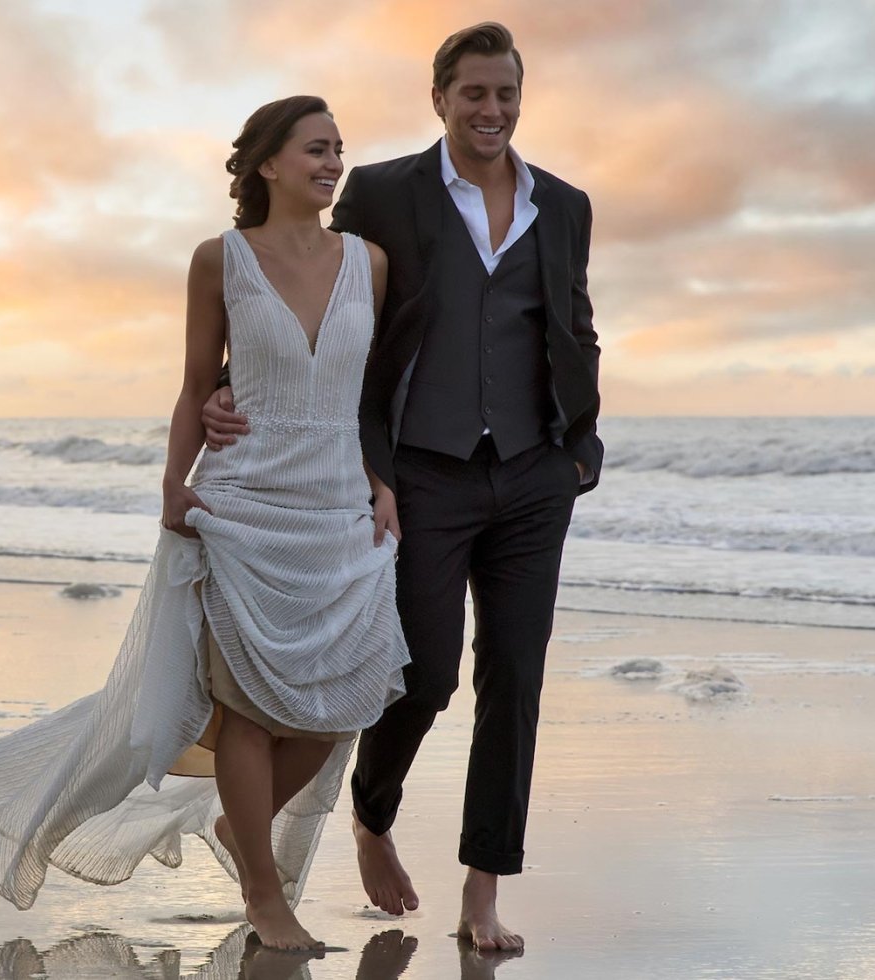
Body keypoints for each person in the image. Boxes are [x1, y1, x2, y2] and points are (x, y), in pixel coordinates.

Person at [0, 95, 409, 951]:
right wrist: (172, 486)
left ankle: (237, 830)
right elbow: (195, 383)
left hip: (337, 506)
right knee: (247, 710)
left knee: (346, 702)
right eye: (313, 149)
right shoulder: (217, 260)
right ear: (266, 165)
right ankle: (264, 892)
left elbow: (369, 394)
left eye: (338, 149)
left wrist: (380, 478)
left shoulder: (369, 262)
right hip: (242, 501)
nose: (332, 164)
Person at [203, 22, 603, 951]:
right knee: (419, 673)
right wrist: (232, 378)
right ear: (440, 98)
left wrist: (582, 445)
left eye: (506, 93)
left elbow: (575, 325)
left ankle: (483, 895)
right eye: (473, 93)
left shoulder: (567, 205)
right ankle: (372, 815)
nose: (492, 110)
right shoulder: (384, 191)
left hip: (537, 476)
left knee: (517, 678)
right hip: (423, 470)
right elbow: (313, 290)